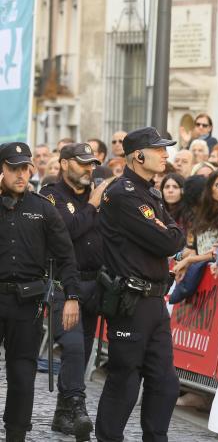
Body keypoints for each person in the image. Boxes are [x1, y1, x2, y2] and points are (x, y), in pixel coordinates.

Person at [95, 127, 186, 441]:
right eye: (159, 149)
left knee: (165, 382)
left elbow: (172, 234)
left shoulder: (150, 192)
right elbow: (169, 240)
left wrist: (170, 233)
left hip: (154, 300)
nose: (166, 155)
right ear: (138, 155)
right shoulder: (124, 194)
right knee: (125, 379)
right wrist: (170, 234)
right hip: (131, 300)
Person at [0, 142, 82, 442]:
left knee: (22, 376)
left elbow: (66, 256)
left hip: (27, 304)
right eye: (13, 168)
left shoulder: (42, 208)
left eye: (25, 167)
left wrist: (72, 296)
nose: (21, 174)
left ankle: (16, 434)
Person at [39, 144, 107, 439]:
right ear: (65, 164)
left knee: (83, 351)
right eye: (82, 164)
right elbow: (69, 230)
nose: (89, 169)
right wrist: (93, 204)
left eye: (92, 164)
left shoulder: (102, 198)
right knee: (74, 346)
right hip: (64, 284)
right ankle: (78, 408)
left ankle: (61, 414)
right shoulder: (50, 195)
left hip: (94, 283)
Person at [173, 170, 218, 282]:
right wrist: (180, 261)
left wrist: (188, 260)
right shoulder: (199, 215)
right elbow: (192, 248)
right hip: (199, 273)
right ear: (209, 188)